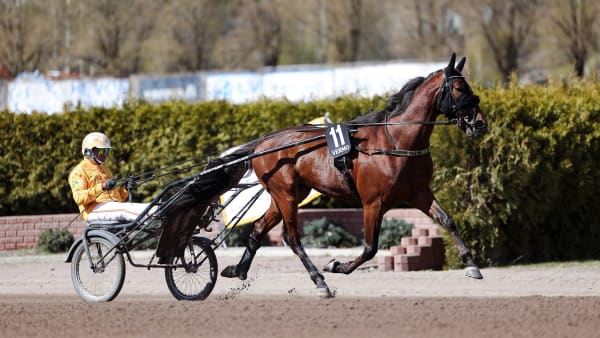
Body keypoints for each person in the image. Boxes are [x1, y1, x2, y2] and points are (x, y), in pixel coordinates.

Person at [68, 132, 151, 223]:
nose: (104, 154)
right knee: (125, 210)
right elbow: (79, 198)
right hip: (92, 210)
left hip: (111, 206)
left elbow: (116, 198)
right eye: (100, 151)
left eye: (106, 151)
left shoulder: (106, 169)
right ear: (88, 151)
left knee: (148, 207)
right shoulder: (78, 172)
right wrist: (102, 187)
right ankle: (152, 219)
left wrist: (125, 190)